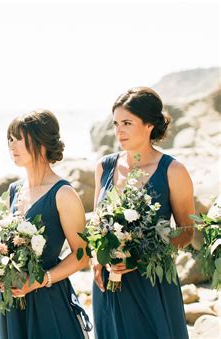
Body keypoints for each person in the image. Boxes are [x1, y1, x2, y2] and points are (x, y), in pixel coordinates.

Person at [92, 87, 194, 339]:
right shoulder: (104, 167)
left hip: (153, 282)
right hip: (109, 281)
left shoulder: (173, 170)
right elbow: (96, 223)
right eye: (116, 123)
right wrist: (96, 258)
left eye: (127, 123)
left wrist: (141, 253)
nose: (119, 131)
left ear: (149, 124)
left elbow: (187, 232)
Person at [0, 109, 92, 339]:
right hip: (11, 300)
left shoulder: (63, 193)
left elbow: (82, 254)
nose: (12, 145)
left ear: (41, 142)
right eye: (10, 139)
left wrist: (39, 281)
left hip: (46, 300)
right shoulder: (14, 190)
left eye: (19, 138)